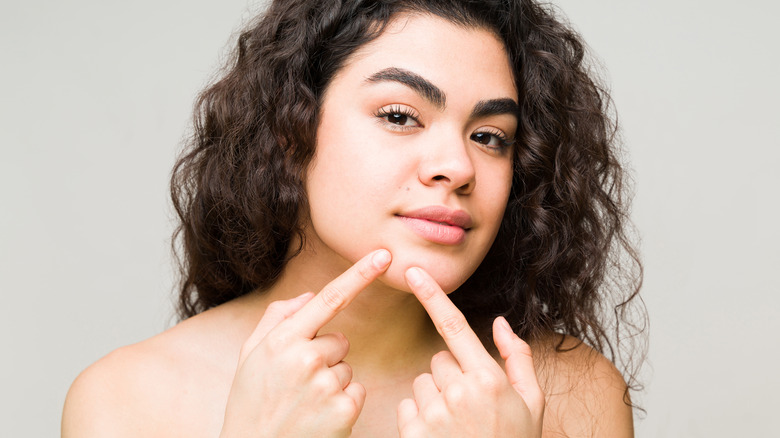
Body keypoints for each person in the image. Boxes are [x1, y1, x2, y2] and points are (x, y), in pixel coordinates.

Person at [62, 0, 646, 436]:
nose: (457, 166)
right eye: (399, 116)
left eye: (490, 136)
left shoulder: (575, 395)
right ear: (290, 132)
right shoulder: (126, 402)